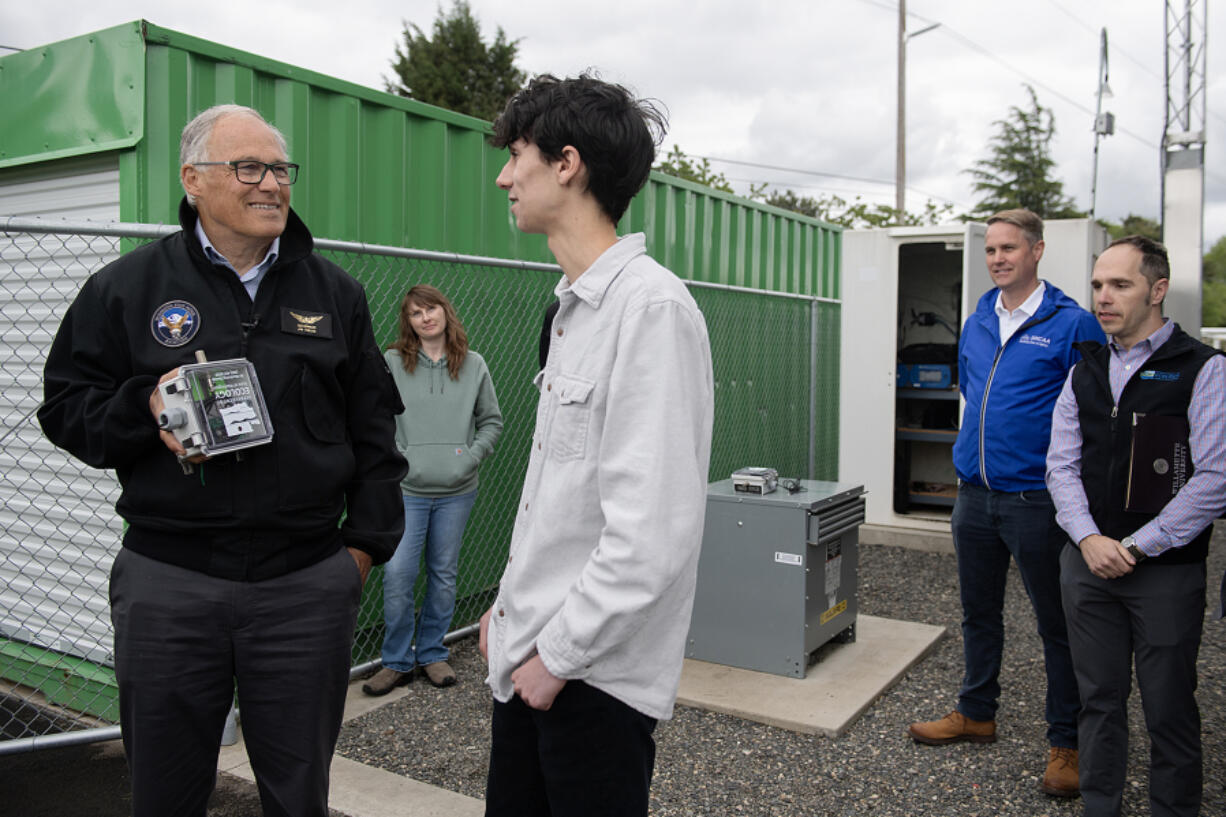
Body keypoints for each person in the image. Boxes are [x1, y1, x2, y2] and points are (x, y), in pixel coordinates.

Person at [37, 104, 407, 817]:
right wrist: (143, 407)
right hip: (169, 585)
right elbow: (65, 409)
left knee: (299, 796)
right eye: (249, 168)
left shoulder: (336, 294)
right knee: (166, 793)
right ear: (193, 179)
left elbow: (377, 434)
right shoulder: (127, 287)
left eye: (280, 169)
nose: (271, 184)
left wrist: (358, 552)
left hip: (303, 587)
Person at [479, 74, 715, 817]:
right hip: (536, 659)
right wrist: (511, 612)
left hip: (589, 682)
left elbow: (653, 531)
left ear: (567, 163)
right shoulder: (572, 309)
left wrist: (558, 655)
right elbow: (563, 496)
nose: (504, 175)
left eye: (518, 154)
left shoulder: (651, 309)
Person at [908, 208, 1105, 798]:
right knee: (978, 613)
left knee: (1058, 625)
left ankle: (1067, 742)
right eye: (991, 249)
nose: (997, 258)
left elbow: (1095, 421)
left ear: (1037, 251)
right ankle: (976, 712)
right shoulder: (977, 322)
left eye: (1009, 249)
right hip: (974, 497)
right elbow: (975, 395)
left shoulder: (1073, 325)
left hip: (1037, 502)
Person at [1046, 235, 1226, 817]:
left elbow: (1216, 477)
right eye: (1097, 285)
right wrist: (1089, 539)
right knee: (1097, 701)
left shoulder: (1202, 369)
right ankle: (1101, 805)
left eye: (1119, 285)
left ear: (1157, 289)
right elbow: (1061, 466)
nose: (1103, 297)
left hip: (1165, 573)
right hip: (1089, 567)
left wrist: (1136, 546)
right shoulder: (1085, 371)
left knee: (1169, 705)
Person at [362, 284, 503, 695]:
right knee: (399, 574)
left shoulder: (473, 364)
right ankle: (396, 661)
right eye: (415, 313)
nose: (425, 318)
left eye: (432, 309)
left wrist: (469, 457)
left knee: (443, 575)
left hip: (458, 490)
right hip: (406, 490)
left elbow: (492, 421)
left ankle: (431, 653)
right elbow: (376, 418)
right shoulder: (393, 362)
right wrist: (400, 455)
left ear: (446, 311)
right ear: (408, 322)